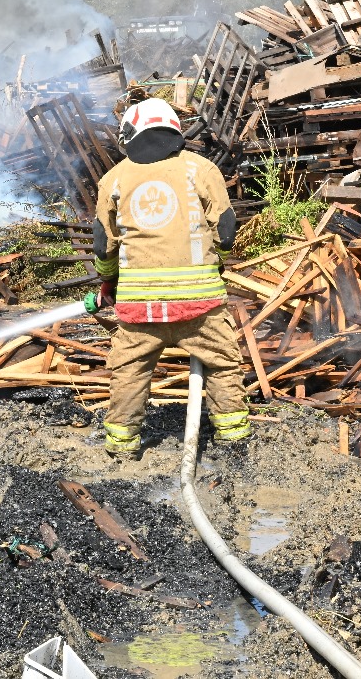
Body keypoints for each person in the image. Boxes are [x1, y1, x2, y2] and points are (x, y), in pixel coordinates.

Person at [92, 98, 250, 456]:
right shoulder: (201, 169)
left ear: (129, 136)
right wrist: (218, 264)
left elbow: (103, 245)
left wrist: (108, 281)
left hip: (139, 310)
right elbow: (225, 229)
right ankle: (234, 441)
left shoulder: (113, 180)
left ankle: (121, 445)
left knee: (129, 373)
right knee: (223, 364)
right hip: (201, 304)